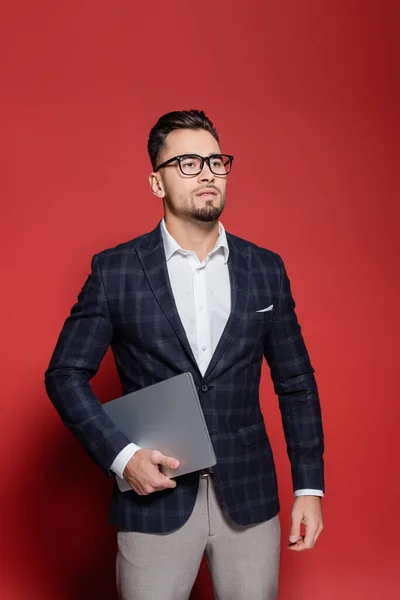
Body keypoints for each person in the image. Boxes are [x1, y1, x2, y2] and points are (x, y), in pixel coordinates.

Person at [45, 109, 325, 600]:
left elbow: (296, 383)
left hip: (250, 497)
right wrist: (123, 457)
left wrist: (309, 489)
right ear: (157, 182)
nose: (208, 174)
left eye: (216, 162)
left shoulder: (265, 269)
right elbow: (65, 373)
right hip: (155, 502)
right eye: (189, 163)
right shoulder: (115, 271)